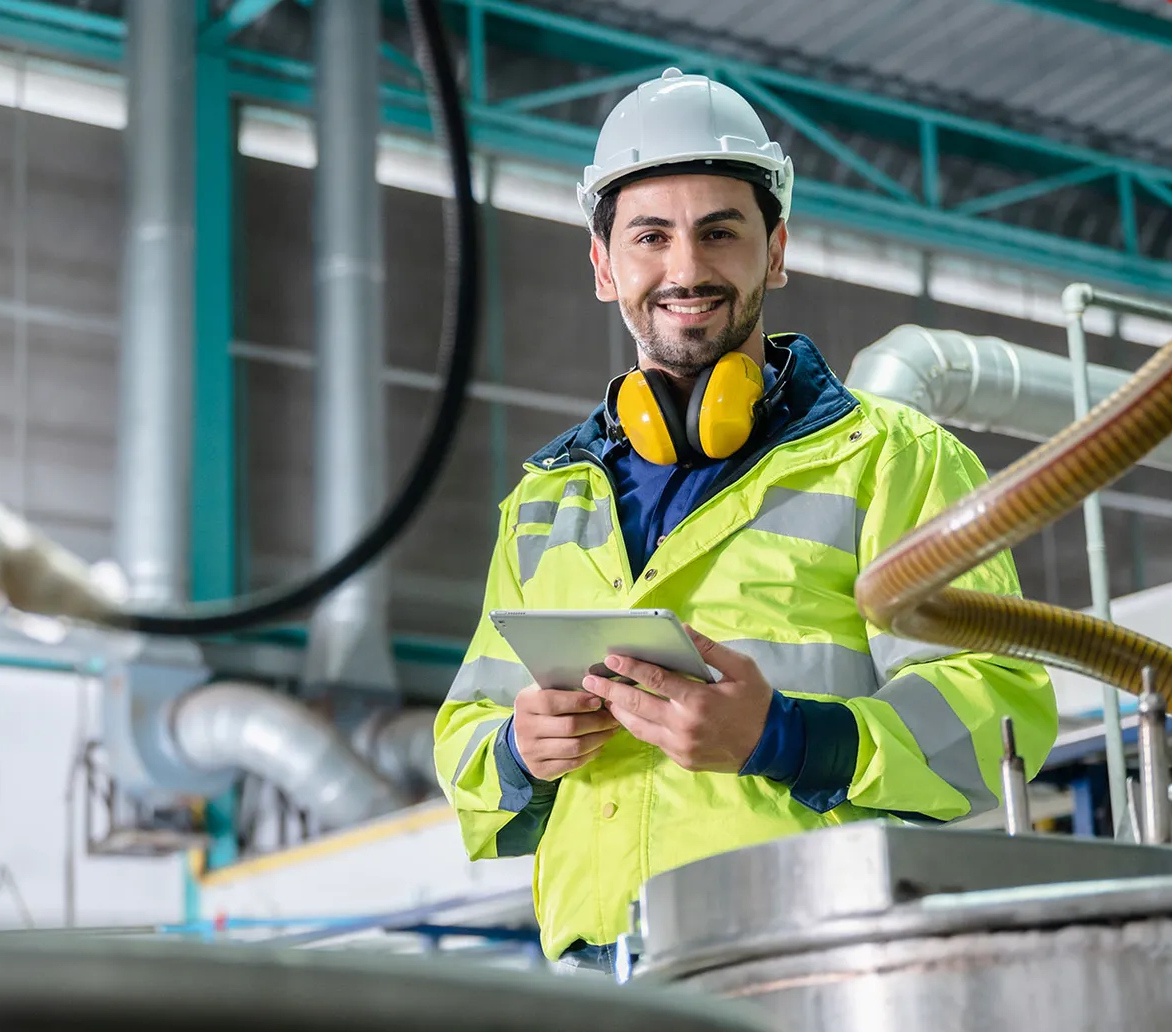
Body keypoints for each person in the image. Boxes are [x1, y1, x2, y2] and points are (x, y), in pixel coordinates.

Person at [431, 69, 1058, 976]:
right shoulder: (546, 501)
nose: (686, 269)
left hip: (804, 949)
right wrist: (522, 751)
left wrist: (783, 738)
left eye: (719, 231)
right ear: (606, 266)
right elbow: (464, 743)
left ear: (775, 252)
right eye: (651, 236)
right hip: (596, 979)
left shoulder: (893, 458)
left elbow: (1002, 715)